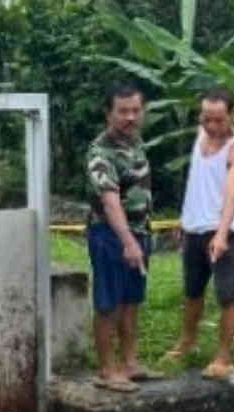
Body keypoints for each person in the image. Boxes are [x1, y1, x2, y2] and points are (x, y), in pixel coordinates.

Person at [165, 88, 234, 380]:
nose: (212, 126)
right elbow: (195, 181)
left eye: (219, 120)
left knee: (226, 293)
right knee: (192, 290)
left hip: (223, 229)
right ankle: (187, 342)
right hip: (194, 227)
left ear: (232, 115)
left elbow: (232, 190)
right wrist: (183, 219)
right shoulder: (200, 137)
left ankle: (224, 356)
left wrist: (222, 234)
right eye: (206, 119)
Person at [85, 81, 159, 393]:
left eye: (135, 110)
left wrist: (138, 239)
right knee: (109, 303)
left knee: (131, 301)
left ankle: (129, 363)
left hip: (140, 232)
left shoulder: (136, 143)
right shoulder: (100, 151)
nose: (130, 117)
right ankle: (106, 369)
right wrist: (128, 242)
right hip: (110, 235)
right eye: (122, 111)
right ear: (108, 114)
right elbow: (110, 201)